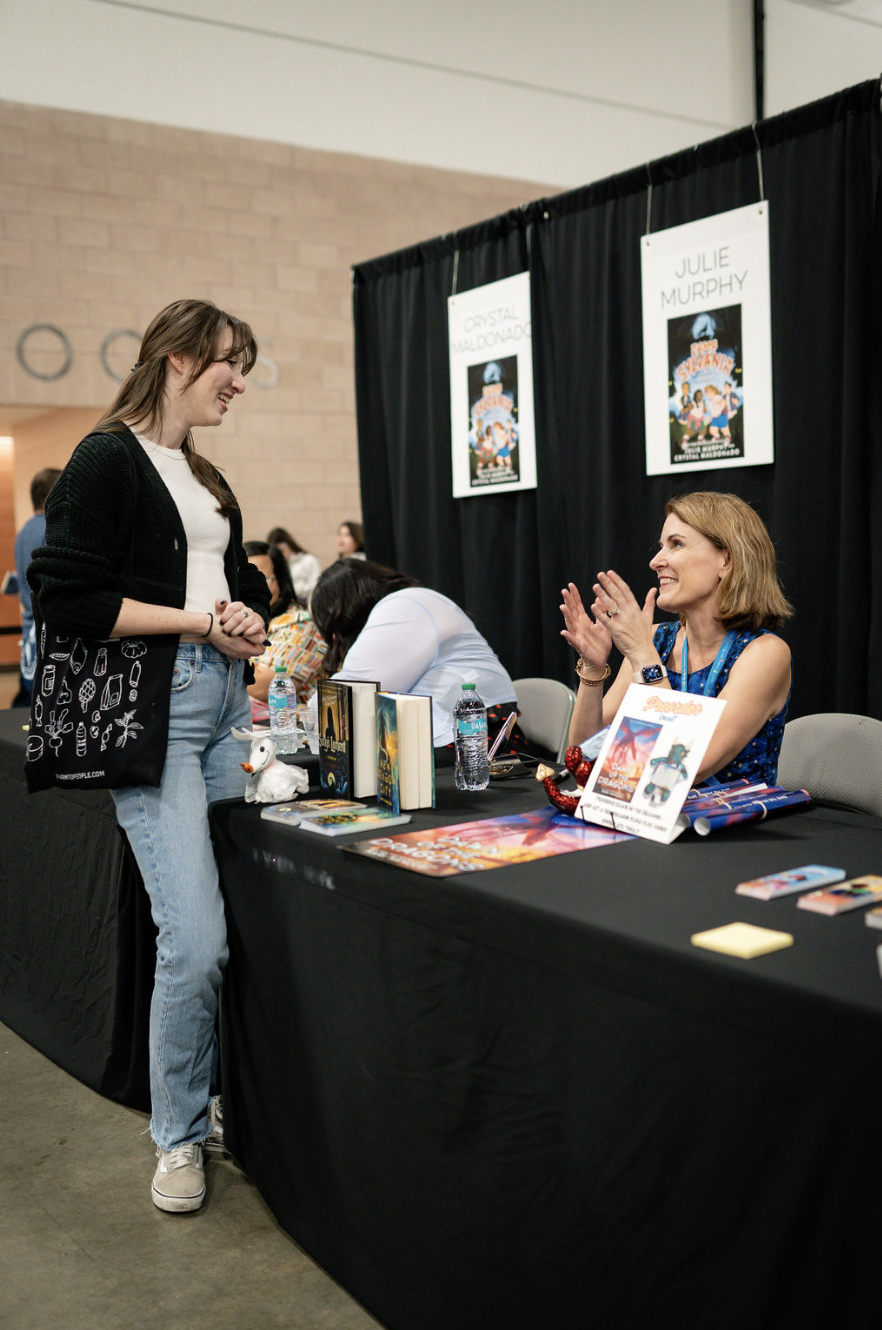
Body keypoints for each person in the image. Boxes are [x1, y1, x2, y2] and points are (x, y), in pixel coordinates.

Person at [28, 299, 271, 1215]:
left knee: (243, 920)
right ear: (176, 359)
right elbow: (67, 599)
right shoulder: (104, 458)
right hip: (156, 716)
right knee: (197, 937)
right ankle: (176, 1134)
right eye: (227, 364)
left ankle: (216, 1102)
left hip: (225, 707)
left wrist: (243, 619)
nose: (237, 381)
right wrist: (198, 622)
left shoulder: (202, 474)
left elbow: (239, 586)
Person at [559, 491, 793, 785]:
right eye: (661, 547)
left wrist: (644, 656)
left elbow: (685, 769)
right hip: (652, 820)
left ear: (727, 560)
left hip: (729, 826)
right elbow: (584, 757)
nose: (656, 561)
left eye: (677, 544)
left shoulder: (764, 653)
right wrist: (592, 672)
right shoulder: (656, 639)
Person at [311, 558, 533, 754]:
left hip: (477, 743)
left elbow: (346, 696)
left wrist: (306, 713)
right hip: (471, 736)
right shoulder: (412, 601)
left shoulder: (402, 606)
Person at [244, 540, 326, 703]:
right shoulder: (237, 622)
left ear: (281, 582)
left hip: (287, 724)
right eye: (242, 581)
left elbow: (265, 687)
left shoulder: (301, 625)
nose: (249, 590)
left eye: (262, 580)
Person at [12, 466, 61, 707]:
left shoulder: (23, 532)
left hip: (29, 628)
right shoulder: (50, 529)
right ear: (51, 494)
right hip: (46, 632)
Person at [266, 525, 321, 605]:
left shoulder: (309, 560)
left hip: (307, 604)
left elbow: (316, 587)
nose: (280, 555)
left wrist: (294, 591)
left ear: (289, 545)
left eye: (282, 550)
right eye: (277, 553)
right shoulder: (276, 566)